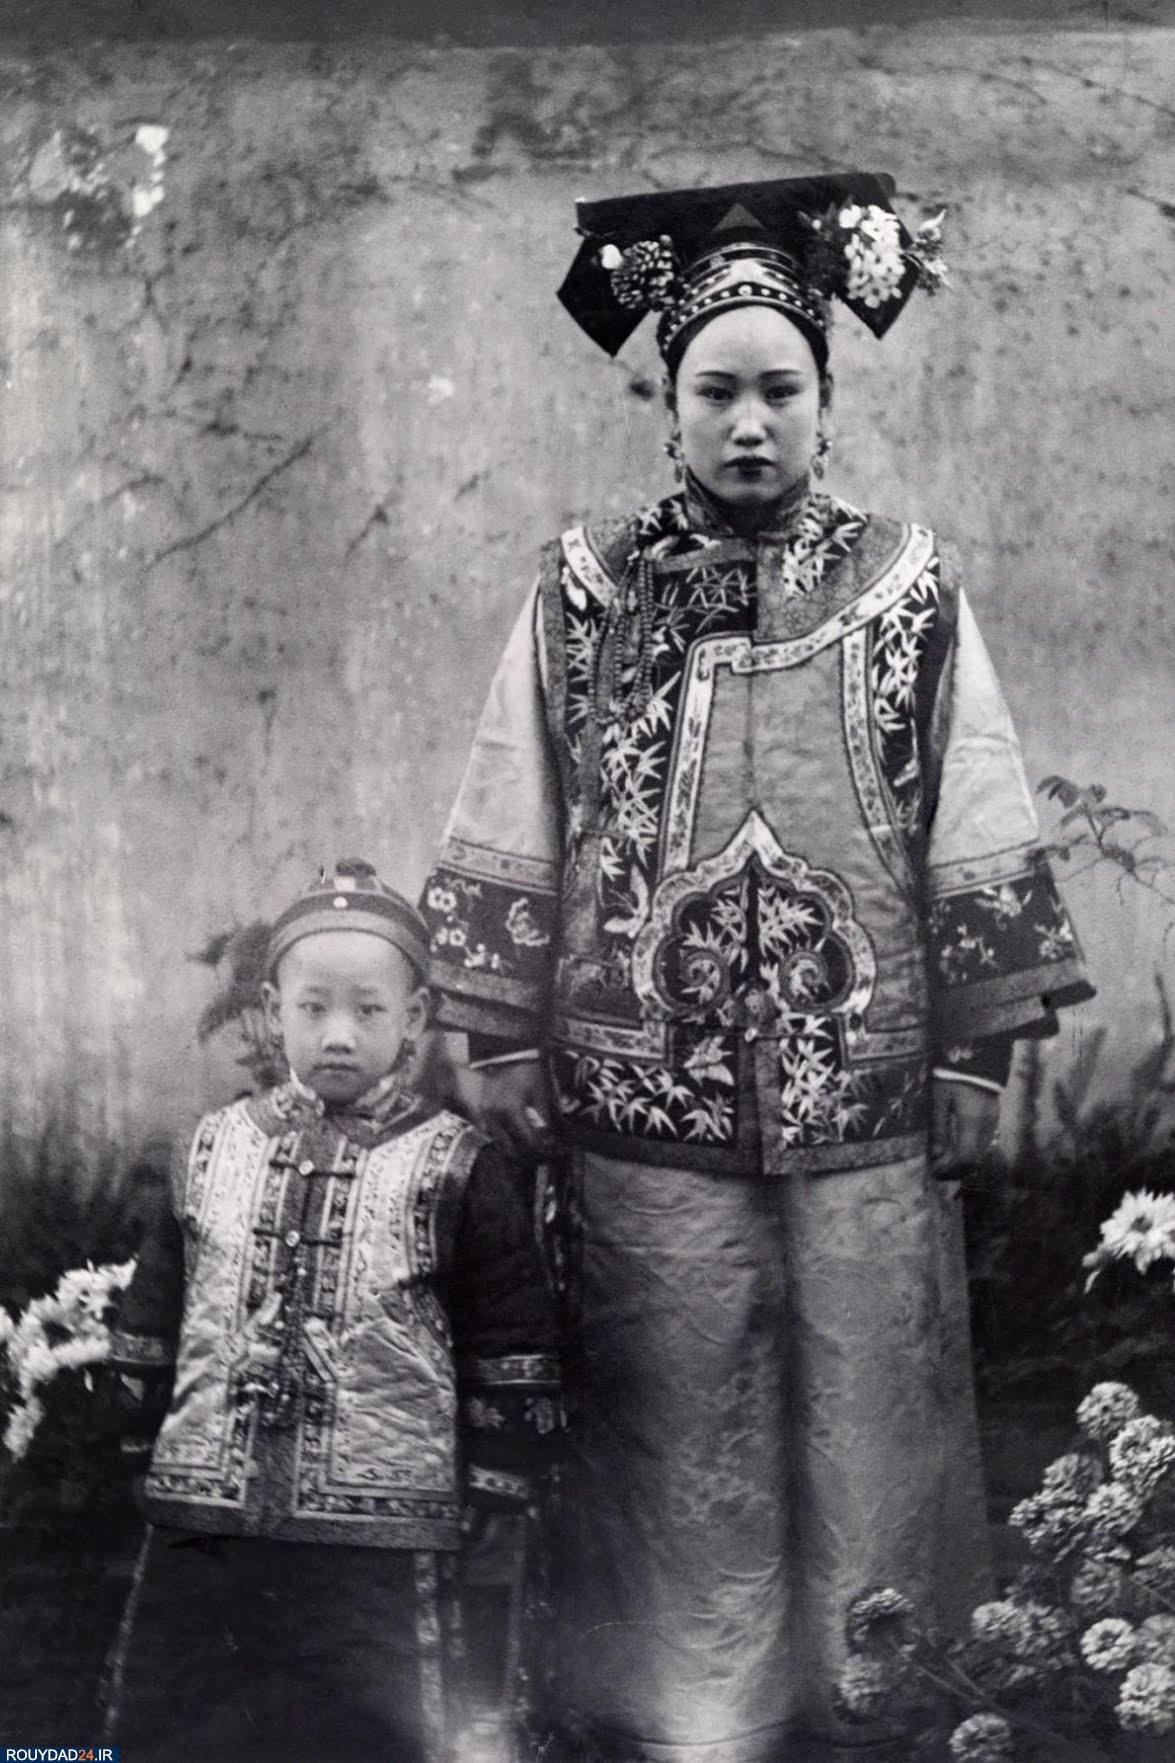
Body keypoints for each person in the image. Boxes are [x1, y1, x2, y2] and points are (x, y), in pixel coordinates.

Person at [419, 175, 1095, 1763]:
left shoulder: (906, 582)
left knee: (869, 1404)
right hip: (635, 1091)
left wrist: (972, 1045)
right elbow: (515, 784)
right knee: (668, 1409)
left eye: (776, 391)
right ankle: (691, 1718)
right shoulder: (584, 584)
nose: (745, 423)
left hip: (864, 1082)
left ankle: (881, 1702)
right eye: (712, 390)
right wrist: (499, 1030)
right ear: (666, 405)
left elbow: (967, 791)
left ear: (823, 400)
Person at [101, 860, 559, 1763]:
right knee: (176, 1720)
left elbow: (509, 1329)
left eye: (368, 1010)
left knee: (372, 1729)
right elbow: (157, 1301)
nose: (338, 1034)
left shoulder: (457, 1165)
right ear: (274, 1011)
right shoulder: (209, 1148)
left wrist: (497, 1476)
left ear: (415, 1019)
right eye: (313, 1009)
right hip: (207, 1516)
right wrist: (132, 1437)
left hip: (381, 1535)